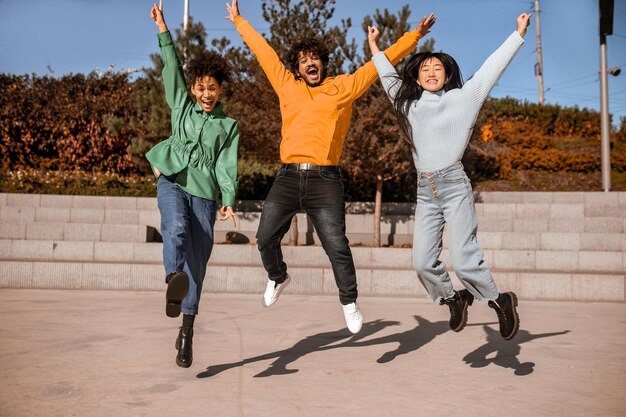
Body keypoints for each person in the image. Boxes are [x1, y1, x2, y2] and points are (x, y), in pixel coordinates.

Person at [225, 0, 435, 334]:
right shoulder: (286, 84)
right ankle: (277, 276)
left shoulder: (344, 87)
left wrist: (415, 36)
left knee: (336, 243)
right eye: (303, 61)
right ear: (296, 68)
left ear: (323, 63)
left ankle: (349, 301)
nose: (310, 64)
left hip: (325, 179)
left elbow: (379, 63)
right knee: (265, 238)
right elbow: (262, 51)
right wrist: (239, 21)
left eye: (315, 59)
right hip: (289, 176)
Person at [368, 13, 531, 340]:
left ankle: (500, 301)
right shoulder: (407, 105)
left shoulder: (464, 98)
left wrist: (518, 34)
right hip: (425, 192)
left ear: (447, 75)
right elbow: (386, 73)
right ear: (415, 77)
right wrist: (373, 45)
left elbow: (490, 69)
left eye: (437, 68)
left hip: (454, 187)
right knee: (422, 264)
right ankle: (454, 298)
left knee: (464, 259)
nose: (430, 73)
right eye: (424, 69)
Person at [147, 0, 239, 367]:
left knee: (198, 264)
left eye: (212, 88)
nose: (205, 93)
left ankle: (186, 331)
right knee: (175, 226)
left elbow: (226, 166)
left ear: (220, 90)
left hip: (204, 194)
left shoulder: (228, 126)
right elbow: (171, 69)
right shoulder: (182, 105)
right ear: (194, 87)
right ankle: (172, 277)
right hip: (170, 178)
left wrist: (228, 198)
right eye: (200, 87)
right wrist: (163, 31)